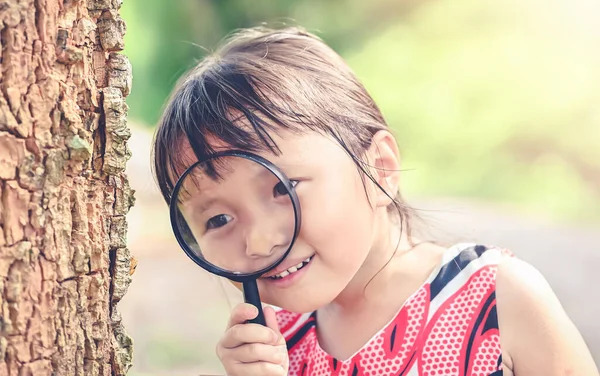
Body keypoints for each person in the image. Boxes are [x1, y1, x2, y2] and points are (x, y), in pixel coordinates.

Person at [151, 26, 598, 376]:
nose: (260, 241)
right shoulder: (272, 345)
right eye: (219, 218)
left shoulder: (496, 297)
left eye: (280, 188)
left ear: (379, 168)